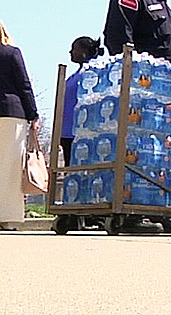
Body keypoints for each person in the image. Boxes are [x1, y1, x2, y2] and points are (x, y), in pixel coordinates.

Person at [103, 0, 171, 234]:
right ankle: (132, 213)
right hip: (142, 95)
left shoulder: (162, 3)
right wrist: (134, 77)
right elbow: (118, 37)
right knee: (137, 152)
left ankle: (159, 208)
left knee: (161, 155)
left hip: (167, 98)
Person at [53, 37, 105, 232]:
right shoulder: (76, 74)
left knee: (89, 173)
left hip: (83, 134)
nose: (70, 53)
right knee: (72, 174)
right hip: (68, 133)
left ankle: (93, 213)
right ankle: (74, 212)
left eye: (73, 49)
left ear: (83, 51)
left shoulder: (94, 72)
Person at [0, 21, 40, 231]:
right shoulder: (11, 53)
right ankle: (6, 217)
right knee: (10, 165)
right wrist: (34, 114)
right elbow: (24, 85)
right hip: (10, 112)